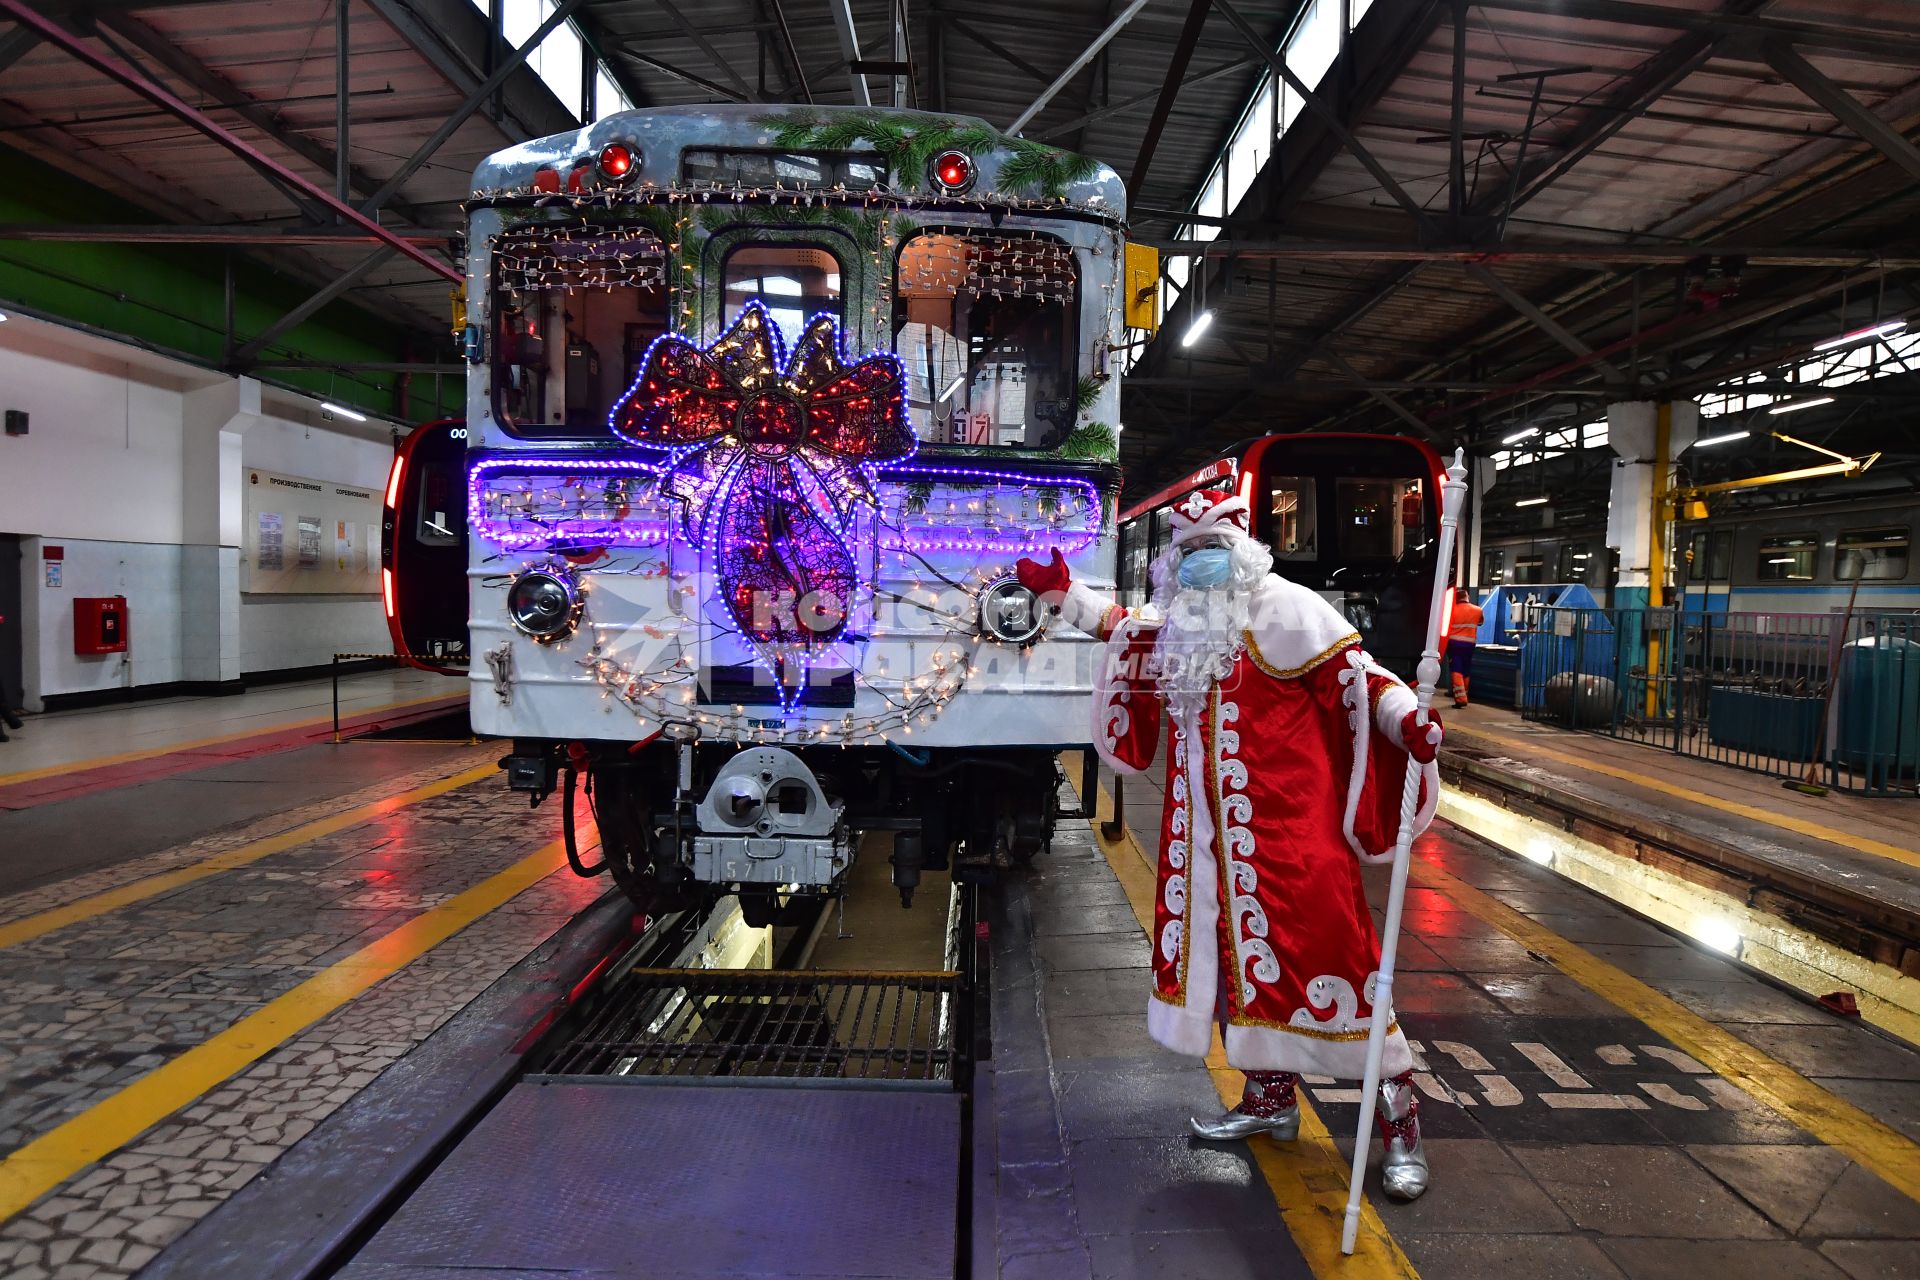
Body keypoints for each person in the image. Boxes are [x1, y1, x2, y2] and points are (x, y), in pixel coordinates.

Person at [1016, 489, 1443, 1201]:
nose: (1199, 567)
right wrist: (1067, 596)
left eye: (1211, 551)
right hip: (1207, 846)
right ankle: (1270, 1099)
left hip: (1296, 843)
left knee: (1340, 966)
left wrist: (1405, 720)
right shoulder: (1183, 623)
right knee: (1230, 965)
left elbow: (1361, 682)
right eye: (1186, 555)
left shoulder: (1295, 612)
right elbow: (1131, 630)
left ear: (1244, 551)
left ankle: (1400, 1119)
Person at [1446, 587, 1484, 709]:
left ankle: (1461, 699)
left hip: (1454, 644)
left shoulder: (1451, 610)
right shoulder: (1478, 610)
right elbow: (1481, 622)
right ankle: (1464, 694)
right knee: (1465, 670)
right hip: (1470, 645)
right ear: (1467, 597)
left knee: (1456, 670)